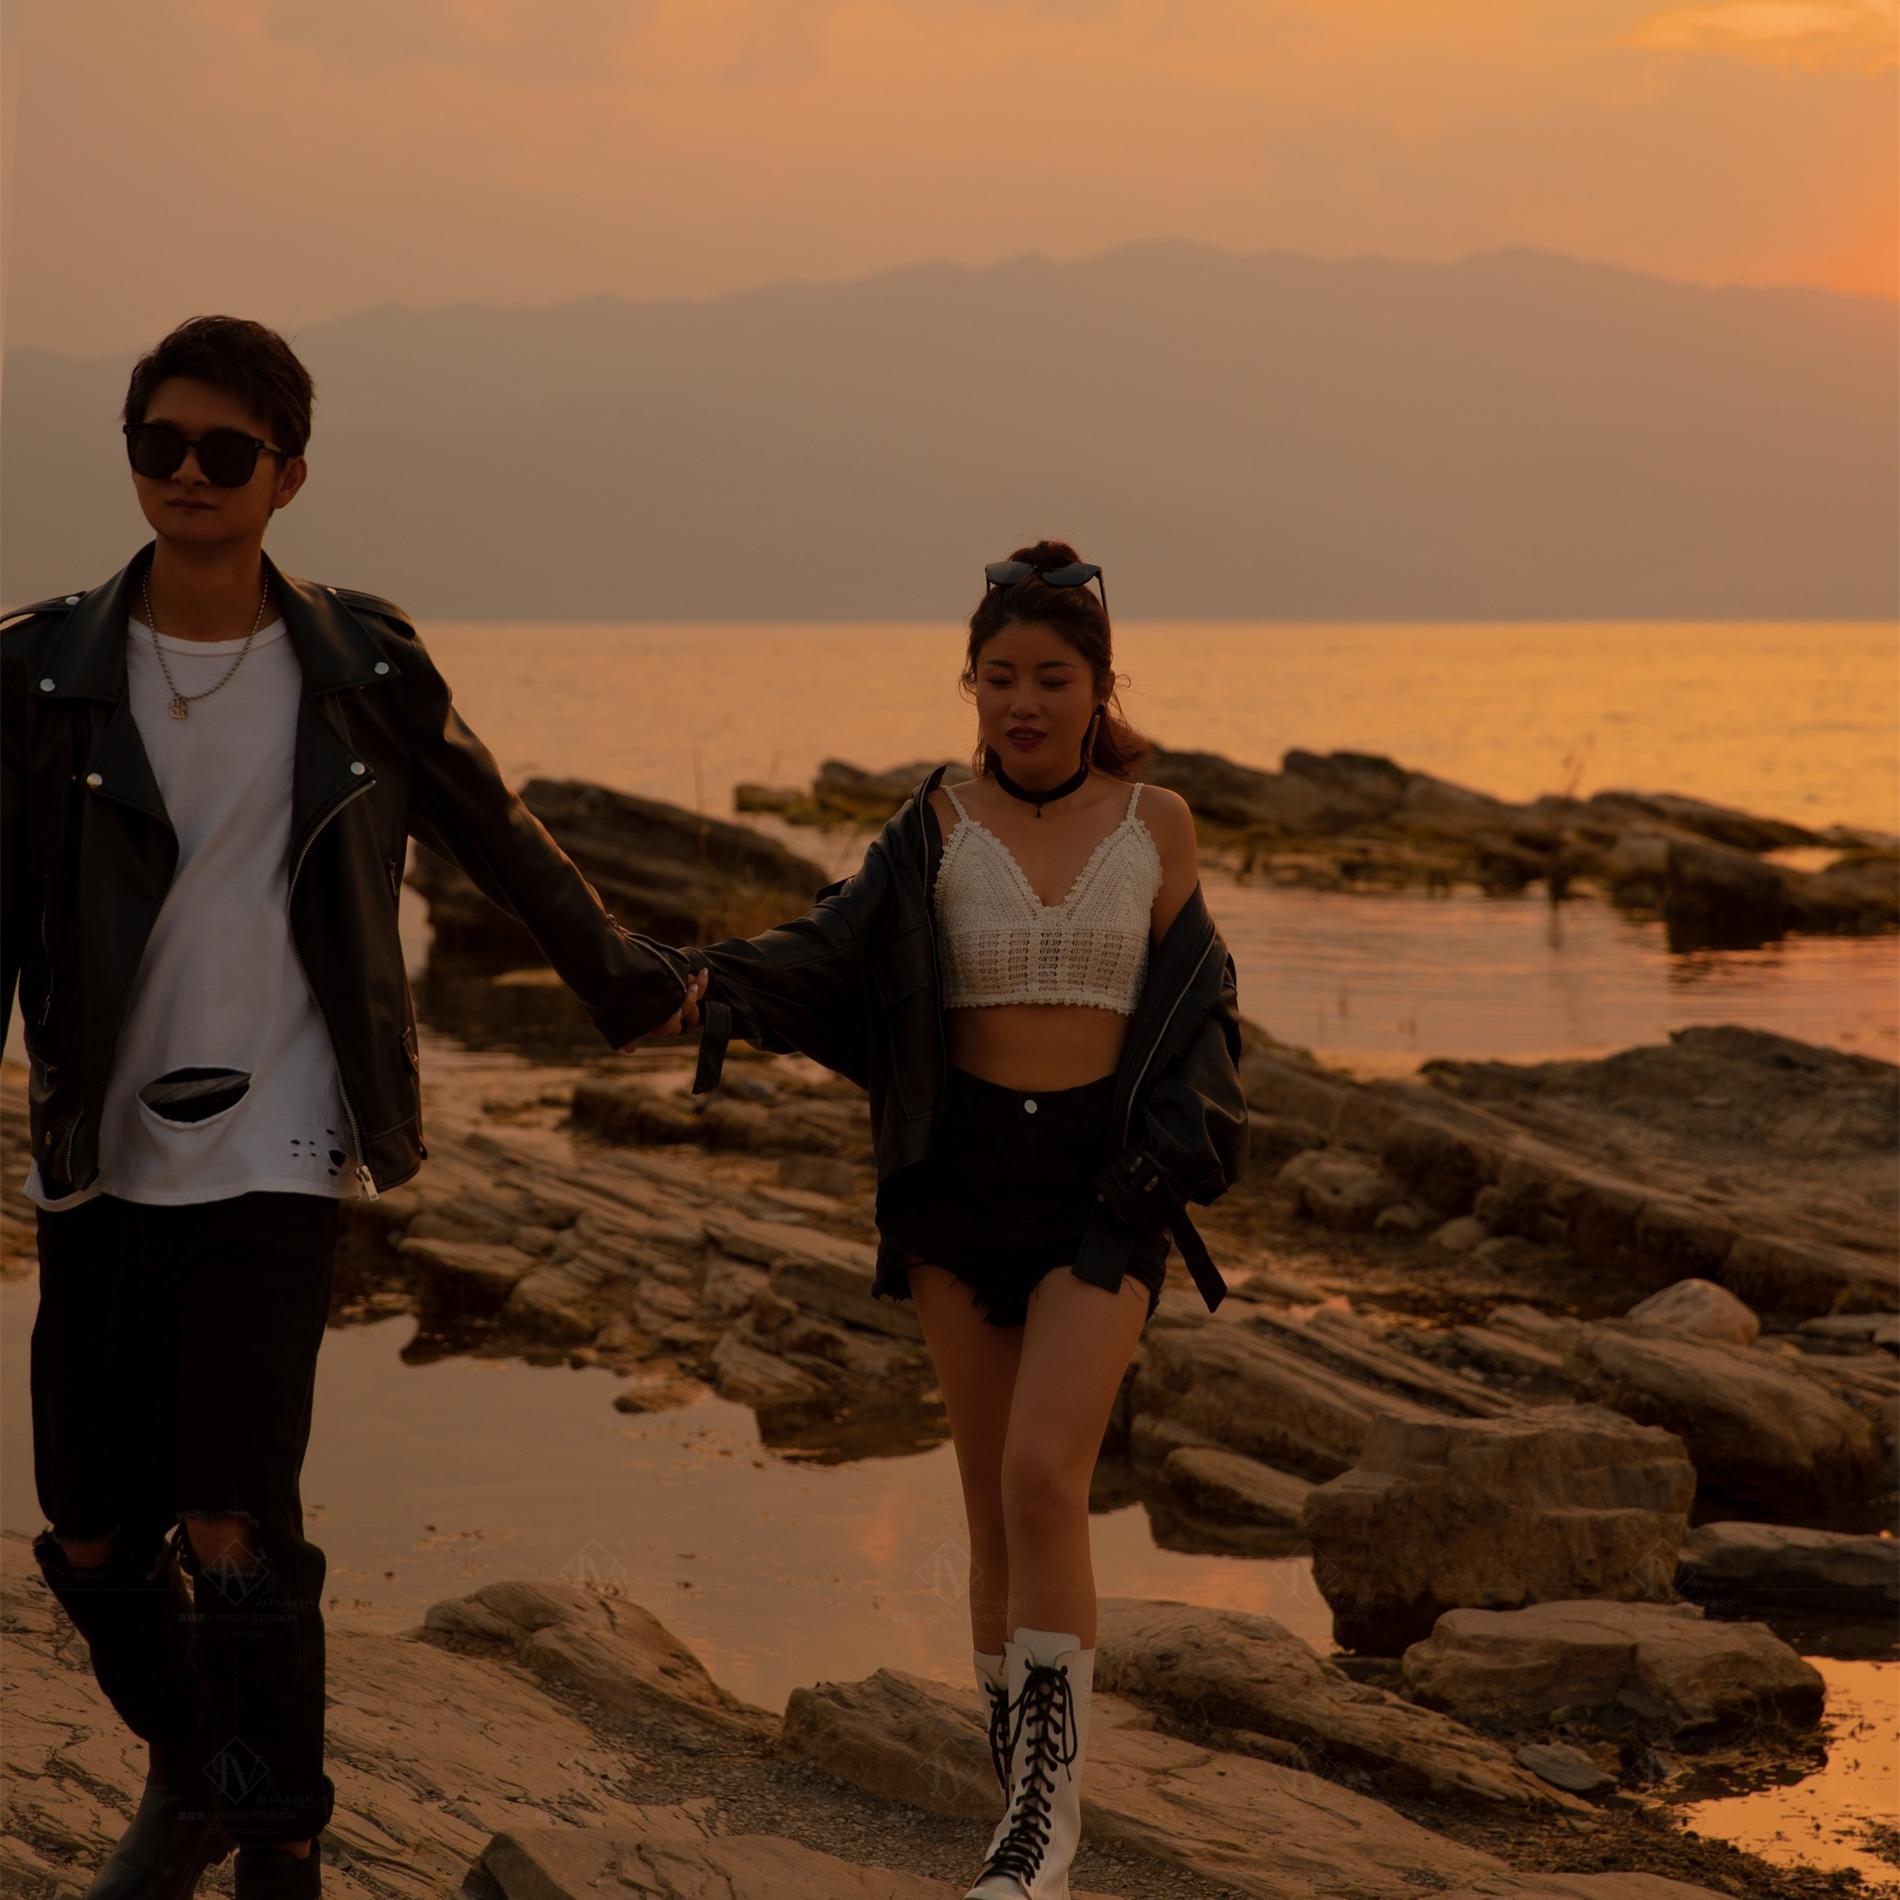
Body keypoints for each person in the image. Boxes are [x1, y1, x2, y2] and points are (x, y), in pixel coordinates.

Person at [0, 314, 710, 1900]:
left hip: (284, 1138)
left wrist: (623, 977)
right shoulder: (36, 672)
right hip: (98, 1153)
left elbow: (496, 830)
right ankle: (201, 1771)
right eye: (159, 444)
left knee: (232, 1521)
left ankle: (280, 1843)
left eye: (224, 451)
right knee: (93, 1532)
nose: (188, 473)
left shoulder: (360, 665)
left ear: (290, 476)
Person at [682, 540, 1248, 1899]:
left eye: (1051, 677)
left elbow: (1204, 1018)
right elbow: (829, 947)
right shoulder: (929, 821)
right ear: (971, 686)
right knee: (992, 1506)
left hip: (1102, 1196)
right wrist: (700, 988)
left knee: (1047, 1478)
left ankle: (1045, 1831)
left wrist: (1160, 1172)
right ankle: (1018, 1813)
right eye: (999, 677)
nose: (1023, 702)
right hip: (956, 1185)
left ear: (1100, 686)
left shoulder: (1158, 822)